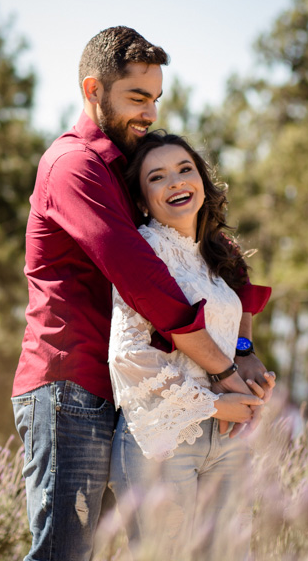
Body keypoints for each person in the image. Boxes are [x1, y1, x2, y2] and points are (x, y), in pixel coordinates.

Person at [11, 26, 275, 560]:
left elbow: (217, 259)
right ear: (93, 90)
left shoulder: (132, 170)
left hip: (133, 400)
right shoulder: (73, 167)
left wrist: (244, 351)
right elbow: (142, 280)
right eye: (136, 97)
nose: (150, 112)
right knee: (64, 552)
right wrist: (224, 372)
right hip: (71, 386)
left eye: (155, 98)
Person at [107, 131, 271, 558]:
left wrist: (246, 355)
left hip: (228, 438)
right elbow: (129, 357)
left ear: (202, 180)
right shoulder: (144, 252)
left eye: (185, 169)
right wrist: (216, 404)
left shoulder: (215, 252)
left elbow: (234, 316)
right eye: (157, 177)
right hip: (165, 440)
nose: (176, 182)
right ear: (142, 201)